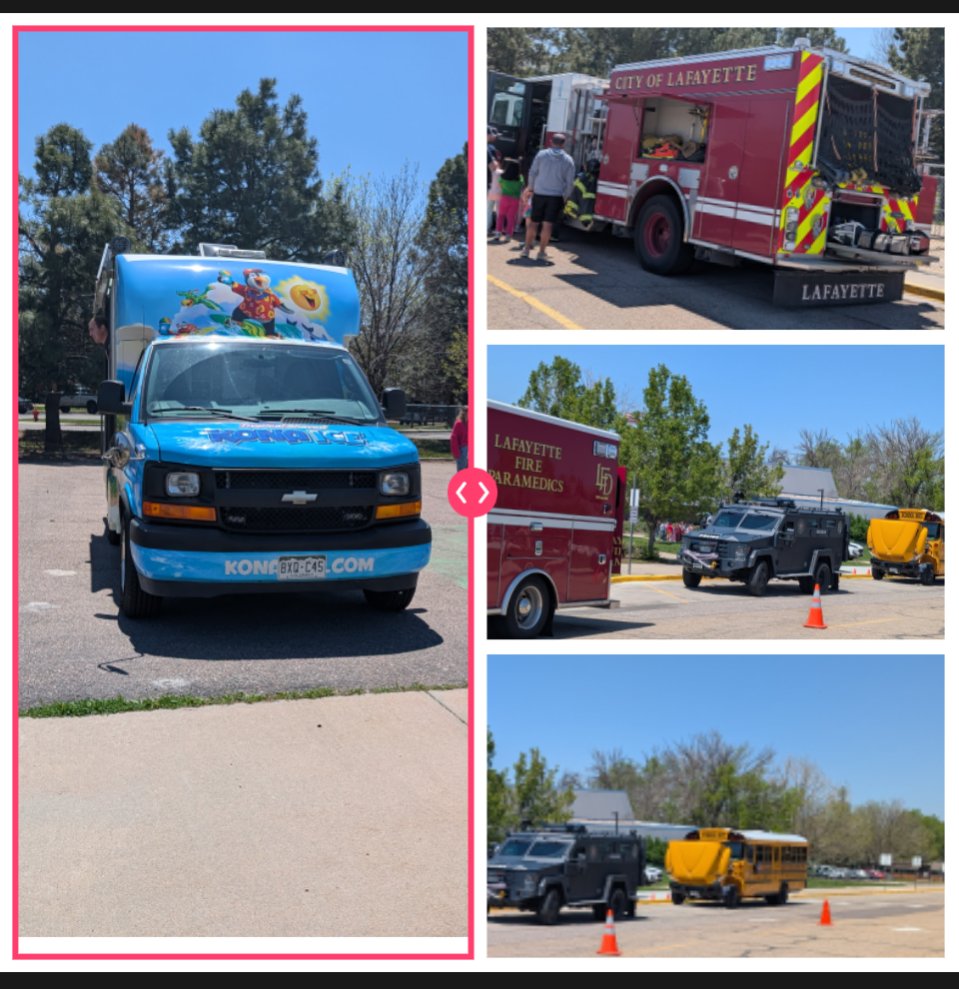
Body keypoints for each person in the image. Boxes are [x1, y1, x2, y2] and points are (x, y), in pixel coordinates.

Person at [522, 132, 575, 262]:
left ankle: (526, 249)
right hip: (556, 196)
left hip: (539, 193)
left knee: (534, 223)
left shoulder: (541, 155)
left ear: (551, 142)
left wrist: (530, 188)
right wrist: (565, 197)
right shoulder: (568, 160)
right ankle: (541, 252)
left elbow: (533, 172)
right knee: (547, 225)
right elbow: (570, 183)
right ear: (563, 144)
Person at [494, 158, 523, 243]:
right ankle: (508, 235)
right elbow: (521, 186)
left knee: (501, 216)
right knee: (511, 218)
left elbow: (500, 185)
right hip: (515, 199)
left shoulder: (502, 177)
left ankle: (498, 233)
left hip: (504, 198)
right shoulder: (520, 178)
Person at [487, 153, 504, 239]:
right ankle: (498, 229)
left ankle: (487, 228)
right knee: (499, 212)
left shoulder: (491, 172)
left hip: (490, 193)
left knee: (488, 211)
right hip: (499, 193)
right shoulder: (501, 172)